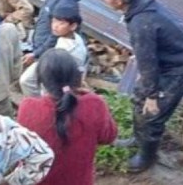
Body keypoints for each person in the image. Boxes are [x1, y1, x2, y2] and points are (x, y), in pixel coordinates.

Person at [102, 0, 183, 172]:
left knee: (153, 113)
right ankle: (139, 139)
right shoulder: (141, 5)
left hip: (180, 66)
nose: (105, 0)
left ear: (118, 1)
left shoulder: (141, 22)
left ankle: (147, 156)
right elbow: (147, 56)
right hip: (167, 60)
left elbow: (149, 60)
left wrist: (153, 95)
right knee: (138, 98)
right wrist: (146, 87)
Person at [18, 49, 117, 185]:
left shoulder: (28, 107)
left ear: (41, 80)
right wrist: (93, 97)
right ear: (77, 77)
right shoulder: (94, 104)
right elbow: (108, 137)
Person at [22, 0, 82, 96]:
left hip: (51, 53)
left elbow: (56, 34)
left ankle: (43, 110)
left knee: (35, 83)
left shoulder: (64, 3)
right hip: (43, 49)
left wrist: (37, 53)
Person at [21, 0, 88, 96]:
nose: (55, 26)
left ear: (73, 26)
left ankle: (38, 103)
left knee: (27, 80)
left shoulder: (69, 49)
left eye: (61, 23)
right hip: (57, 69)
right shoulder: (73, 37)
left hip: (59, 75)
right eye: (54, 21)